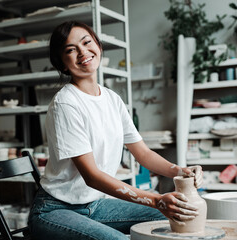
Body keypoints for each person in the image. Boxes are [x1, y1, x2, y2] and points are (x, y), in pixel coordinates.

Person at [28, 21, 203, 240]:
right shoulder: (65, 104)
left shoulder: (112, 99)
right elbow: (92, 177)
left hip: (96, 205)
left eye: (86, 43)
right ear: (63, 64)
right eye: (71, 50)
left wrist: (181, 171)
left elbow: (143, 154)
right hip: (55, 210)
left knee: (182, 213)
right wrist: (156, 200)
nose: (83, 52)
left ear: (98, 47)